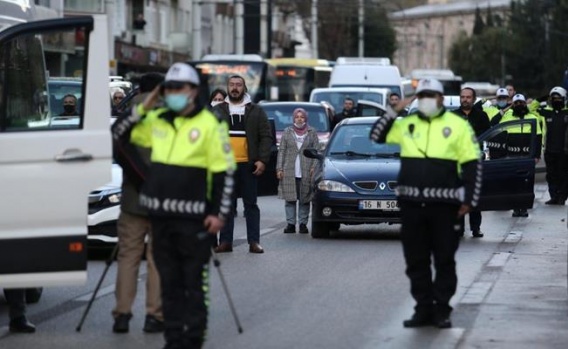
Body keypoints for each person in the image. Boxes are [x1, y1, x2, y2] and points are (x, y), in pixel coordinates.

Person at [112, 62, 235, 348]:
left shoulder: (210, 124)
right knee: (169, 286)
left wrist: (219, 213)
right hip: (160, 216)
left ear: (193, 91)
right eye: (170, 88)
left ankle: (192, 340)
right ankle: (173, 340)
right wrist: (143, 108)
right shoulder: (155, 119)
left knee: (193, 285)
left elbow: (224, 172)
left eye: (181, 88)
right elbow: (118, 135)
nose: (175, 93)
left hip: (194, 219)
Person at [369, 78, 482, 329]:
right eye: (422, 95)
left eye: (431, 95)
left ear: (441, 98)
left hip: (445, 207)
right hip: (411, 207)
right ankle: (422, 308)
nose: (427, 100)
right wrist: (393, 110)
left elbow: (473, 164)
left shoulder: (458, 125)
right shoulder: (406, 124)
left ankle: (442, 309)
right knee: (416, 261)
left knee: (444, 260)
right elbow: (376, 135)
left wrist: (470, 200)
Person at [111, 73, 165, 334]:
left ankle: (122, 314)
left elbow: (116, 146)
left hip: (133, 197)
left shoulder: (129, 114)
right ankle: (154, 315)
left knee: (128, 257)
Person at [213, 75, 273, 254]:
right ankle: (225, 242)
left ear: (244, 88)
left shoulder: (256, 110)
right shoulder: (217, 110)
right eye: (231, 85)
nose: (235, 88)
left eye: (238, 85)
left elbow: (266, 137)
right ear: (227, 87)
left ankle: (254, 241)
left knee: (251, 205)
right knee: (227, 205)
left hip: (248, 165)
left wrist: (262, 160)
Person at [452, 87, 490, 238]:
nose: (465, 100)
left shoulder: (481, 116)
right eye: (462, 97)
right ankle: (458, 228)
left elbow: (488, 136)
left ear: (473, 99)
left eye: (468, 97)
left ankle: (476, 228)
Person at [496, 93, 542, 217]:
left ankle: (525, 207)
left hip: (528, 155)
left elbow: (538, 137)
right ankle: (516, 208)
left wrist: (537, 155)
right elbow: (497, 128)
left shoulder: (533, 117)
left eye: (521, 102)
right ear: (512, 105)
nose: (519, 105)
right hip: (512, 155)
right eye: (516, 103)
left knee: (526, 183)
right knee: (514, 183)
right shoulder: (507, 116)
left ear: (525, 103)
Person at [276, 108, 319, 234]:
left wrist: (314, 167)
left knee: (304, 199)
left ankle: (303, 224)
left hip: (306, 170)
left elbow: (316, 151)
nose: (299, 119)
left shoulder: (311, 132)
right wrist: (279, 168)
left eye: (302, 117)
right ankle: (290, 224)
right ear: (293, 118)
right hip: (289, 170)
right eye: (297, 117)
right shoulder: (287, 132)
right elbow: (282, 151)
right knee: (290, 199)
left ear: (305, 118)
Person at [539, 87, 568, 205]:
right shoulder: (547, 112)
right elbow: (532, 108)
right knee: (551, 175)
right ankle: (553, 196)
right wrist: (545, 97)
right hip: (549, 150)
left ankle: (562, 197)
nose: (556, 100)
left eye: (558, 98)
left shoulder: (567, 113)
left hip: (564, 151)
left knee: (563, 175)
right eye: (554, 98)